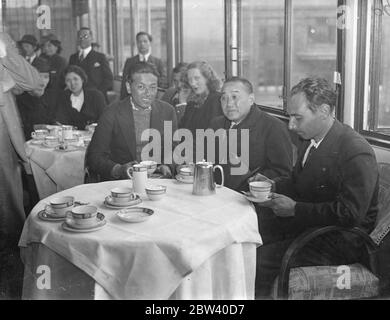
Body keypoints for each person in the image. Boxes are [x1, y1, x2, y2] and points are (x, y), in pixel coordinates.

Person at [252, 77, 379, 298]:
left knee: (257, 261)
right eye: (290, 117)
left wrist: (295, 210)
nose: (291, 125)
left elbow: (350, 214)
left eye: (297, 118)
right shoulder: (311, 140)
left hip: (341, 240)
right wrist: (273, 185)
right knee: (248, 239)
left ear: (323, 110)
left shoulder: (356, 151)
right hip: (311, 227)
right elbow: (299, 182)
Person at [0, 32, 44, 299]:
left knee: (10, 216)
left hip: (5, 145)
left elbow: (33, 81)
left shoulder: (3, 44)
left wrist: (5, 53)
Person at [86, 62, 177, 181]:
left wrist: (167, 165)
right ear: (129, 87)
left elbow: (173, 148)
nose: (148, 93)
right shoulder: (111, 112)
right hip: (122, 182)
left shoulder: (167, 111)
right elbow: (94, 156)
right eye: (141, 87)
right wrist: (118, 169)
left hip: (157, 180)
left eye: (153, 87)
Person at [210, 77, 293, 191]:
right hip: (217, 192)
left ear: (251, 99)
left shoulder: (273, 127)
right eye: (224, 98)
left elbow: (283, 173)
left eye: (235, 97)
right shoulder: (216, 124)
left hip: (250, 198)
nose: (229, 104)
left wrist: (253, 180)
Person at [69, 27, 114, 103]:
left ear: (92, 38)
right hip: (77, 99)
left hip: (97, 99)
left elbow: (109, 79)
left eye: (85, 36)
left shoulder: (100, 57)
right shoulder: (73, 58)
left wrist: (97, 93)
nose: (82, 39)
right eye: (80, 37)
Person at [16, 57, 57, 139]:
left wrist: (56, 125)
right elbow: (19, 130)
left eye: (46, 77)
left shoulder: (49, 97)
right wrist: (42, 127)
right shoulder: (19, 100)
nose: (43, 82)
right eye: (38, 77)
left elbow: (50, 120)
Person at [55, 65, 106, 130]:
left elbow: (104, 119)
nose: (72, 83)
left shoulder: (96, 96)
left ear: (82, 79)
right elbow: (60, 120)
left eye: (75, 79)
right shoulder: (63, 97)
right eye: (68, 80)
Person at [120, 31, 168, 99]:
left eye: (145, 41)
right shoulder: (130, 62)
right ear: (136, 43)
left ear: (150, 43)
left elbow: (163, 82)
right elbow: (124, 83)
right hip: (133, 98)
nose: (142, 44)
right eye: (139, 42)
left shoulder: (158, 62)